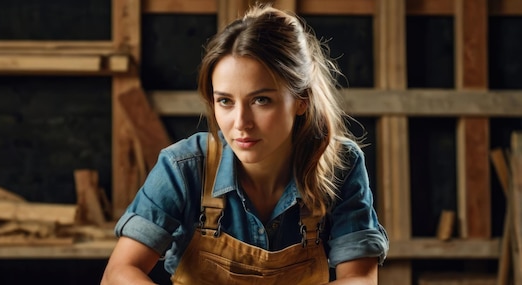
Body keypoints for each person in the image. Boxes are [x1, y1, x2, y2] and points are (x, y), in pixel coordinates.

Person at [101, 4, 388, 285]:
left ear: (302, 100)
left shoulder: (340, 164)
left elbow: (360, 277)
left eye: (261, 100)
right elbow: (119, 273)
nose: (241, 123)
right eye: (225, 101)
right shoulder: (183, 167)